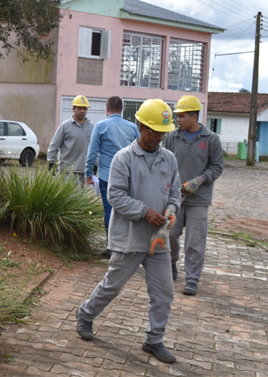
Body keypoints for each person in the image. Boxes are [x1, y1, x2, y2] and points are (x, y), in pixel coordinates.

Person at [76, 99, 181, 364]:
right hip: (130, 237)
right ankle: (86, 315)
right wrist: (145, 212)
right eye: (153, 131)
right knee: (113, 285)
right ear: (140, 126)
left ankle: (154, 339)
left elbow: (175, 192)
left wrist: (171, 209)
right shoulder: (124, 158)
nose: (158, 137)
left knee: (164, 292)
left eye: (162, 132)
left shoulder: (169, 159)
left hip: (158, 240)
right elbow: (114, 196)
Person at [165, 95, 224, 296]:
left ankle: (192, 279)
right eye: (177, 116)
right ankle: (171, 264)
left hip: (199, 199)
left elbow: (217, 166)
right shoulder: (172, 137)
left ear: (194, 116)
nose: (178, 120)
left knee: (195, 241)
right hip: (175, 198)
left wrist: (199, 180)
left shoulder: (211, 139)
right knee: (171, 234)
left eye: (182, 116)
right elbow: (165, 163)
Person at [84, 96, 139, 257]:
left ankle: (111, 246)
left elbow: (92, 152)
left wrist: (88, 173)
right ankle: (127, 244)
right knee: (126, 209)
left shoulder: (101, 126)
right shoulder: (132, 128)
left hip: (107, 175)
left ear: (107, 109)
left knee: (109, 209)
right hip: (128, 176)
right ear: (121, 110)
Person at [46, 95, 92, 184]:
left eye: (84, 108)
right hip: (67, 171)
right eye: (79, 108)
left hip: (83, 170)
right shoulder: (65, 126)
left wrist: (94, 164)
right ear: (73, 109)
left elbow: (94, 148)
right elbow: (54, 145)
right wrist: (51, 162)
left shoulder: (90, 127)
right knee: (70, 197)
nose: (82, 111)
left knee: (80, 197)